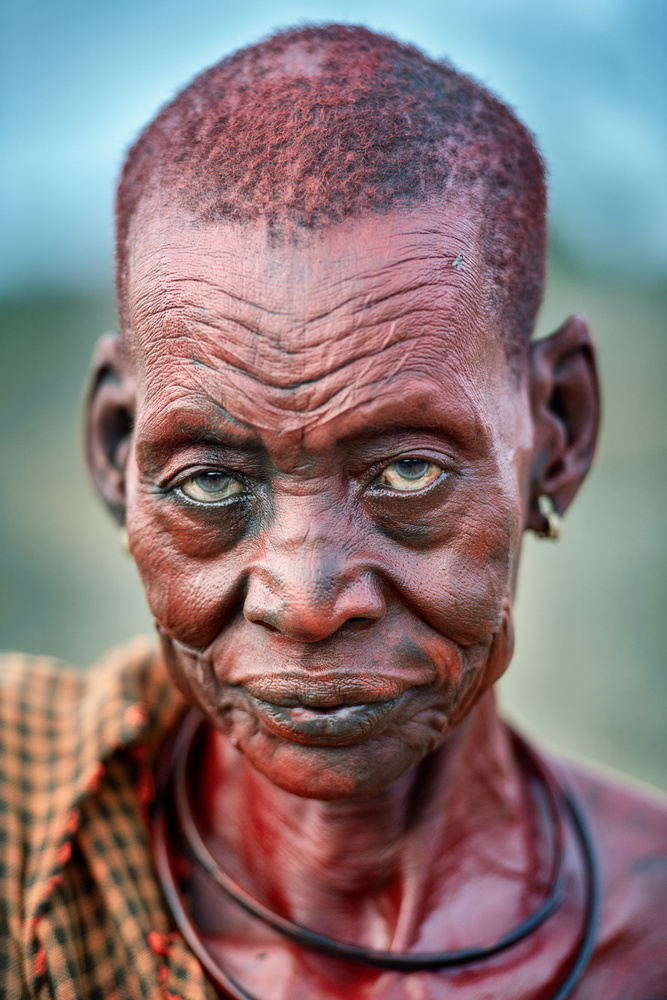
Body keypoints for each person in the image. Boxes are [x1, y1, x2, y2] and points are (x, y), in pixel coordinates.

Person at [1, 24, 665, 1000]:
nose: (307, 602)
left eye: (407, 472)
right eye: (211, 483)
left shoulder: (649, 935)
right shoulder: (22, 814)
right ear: (114, 452)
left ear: (556, 429)